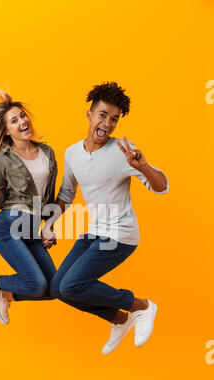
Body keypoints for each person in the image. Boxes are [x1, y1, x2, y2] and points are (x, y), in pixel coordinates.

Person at [48, 82, 169, 354]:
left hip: (120, 234)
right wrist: (49, 224)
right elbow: (67, 194)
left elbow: (161, 186)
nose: (108, 123)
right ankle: (120, 319)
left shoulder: (123, 151)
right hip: (94, 232)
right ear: (89, 115)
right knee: (58, 288)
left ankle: (141, 306)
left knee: (72, 284)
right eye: (103, 115)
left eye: (114, 118)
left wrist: (143, 166)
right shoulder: (72, 153)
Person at [0, 85, 57, 325]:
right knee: (37, 283)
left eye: (22, 116)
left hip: (31, 229)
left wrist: (49, 226)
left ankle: (6, 294)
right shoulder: (2, 159)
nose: (22, 121)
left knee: (53, 289)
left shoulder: (47, 153)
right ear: (7, 130)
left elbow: (49, 198)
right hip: (8, 226)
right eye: (14, 120)